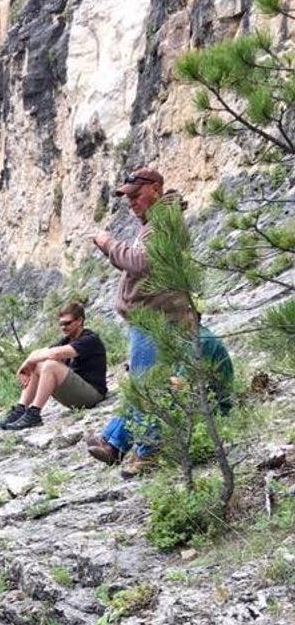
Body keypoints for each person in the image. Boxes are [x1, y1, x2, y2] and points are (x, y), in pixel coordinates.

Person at [87, 166, 195, 473]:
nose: (131, 202)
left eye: (136, 195)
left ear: (156, 189)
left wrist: (108, 243)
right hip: (153, 317)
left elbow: (140, 262)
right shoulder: (156, 221)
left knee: (147, 386)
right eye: (128, 198)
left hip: (154, 318)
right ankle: (115, 443)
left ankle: (146, 454)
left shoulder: (162, 222)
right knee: (146, 383)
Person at [0, 301, 108, 430]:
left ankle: (34, 413)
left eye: (68, 323)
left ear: (79, 321)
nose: (63, 327)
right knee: (38, 364)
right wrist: (30, 363)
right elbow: (38, 353)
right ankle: (20, 409)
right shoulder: (66, 341)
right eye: (61, 324)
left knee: (50, 365)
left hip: (93, 395)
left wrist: (28, 362)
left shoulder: (90, 339)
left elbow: (54, 354)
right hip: (77, 395)